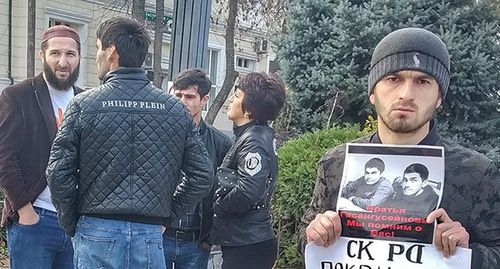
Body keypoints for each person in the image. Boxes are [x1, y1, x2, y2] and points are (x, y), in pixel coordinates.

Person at [300, 27, 500, 268]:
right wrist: (315, 234)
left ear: (439, 97)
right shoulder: (335, 162)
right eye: (393, 78)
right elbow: (307, 237)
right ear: (373, 92)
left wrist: (469, 252)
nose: (406, 94)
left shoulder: (476, 172)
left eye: (423, 81)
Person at [46, 17, 213, 269]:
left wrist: (72, 222)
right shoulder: (174, 110)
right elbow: (202, 175)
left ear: (111, 51)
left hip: (95, 228)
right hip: (149, 233)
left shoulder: (84, 105)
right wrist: (167, 215)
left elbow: (58, 172)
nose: (97, 56)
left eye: (99, 48)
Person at [0, 25, 82, 268]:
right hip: (35, 220)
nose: (63, 62)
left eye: (70, 54)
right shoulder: (17, 95)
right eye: (56, 53)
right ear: (42, 55)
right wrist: (25, 211)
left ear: (78, 57)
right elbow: (4, 157)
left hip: (73, 223)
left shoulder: (84, 99)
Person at [210, 72, 286, 269]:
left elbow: (247, 191)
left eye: (236, 96)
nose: (230, 100)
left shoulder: (253, 142)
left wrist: (218, 206)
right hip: (245, 242)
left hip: (248, 245)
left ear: (249, 110)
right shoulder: (252, 136)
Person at [163, 68, 231, 269]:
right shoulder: (160, 136)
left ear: (204, 100)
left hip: (196, 240)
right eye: (178, 95)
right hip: (161, 235)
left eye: (190, 96)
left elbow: (222, 192)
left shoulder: (219, 142)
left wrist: (210, 238)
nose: (183, 101)